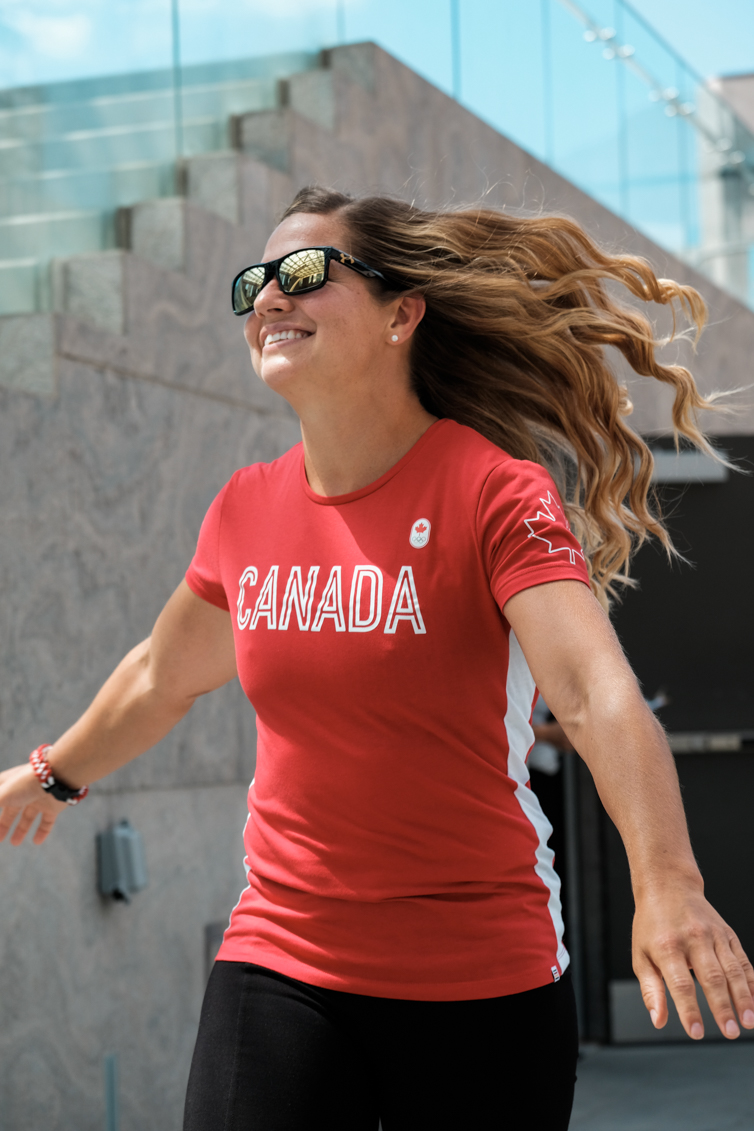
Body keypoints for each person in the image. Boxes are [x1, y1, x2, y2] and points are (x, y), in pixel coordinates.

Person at [1, 187, 753, 1131]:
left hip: (481, 984)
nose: (271, 297)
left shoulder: (493, 489)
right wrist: (46, 776)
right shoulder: (245, 507)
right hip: (283, 959)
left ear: (403, 313)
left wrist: (668, 882)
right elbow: (162, 672)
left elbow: (595, 694)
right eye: (255, 283)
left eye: (306, 273)